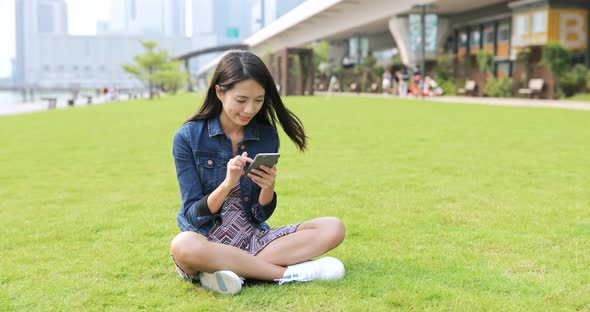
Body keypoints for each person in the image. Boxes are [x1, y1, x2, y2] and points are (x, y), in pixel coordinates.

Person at [170, 51, 346, 295]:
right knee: (183, 245)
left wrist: (268, 188)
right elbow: (192, 216)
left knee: (333, 227)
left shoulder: (266, 135)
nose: (249, 109)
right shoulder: (188, 137)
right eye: (241, 100)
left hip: (253, 238)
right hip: (207, 240)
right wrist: (227, 185)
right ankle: (286, 274)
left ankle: (229, 271)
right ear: (220, 92)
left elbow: (259, 213)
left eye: (258, 100)